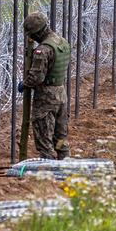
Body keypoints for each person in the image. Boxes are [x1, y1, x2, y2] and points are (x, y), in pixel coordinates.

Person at [21, 12, 71, 159]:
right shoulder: (61, 41)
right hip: (61, 94)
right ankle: (65, 160)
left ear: (38, 32)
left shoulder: (43, 50)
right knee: (60, 135)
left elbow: (37, 77)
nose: (31, 38)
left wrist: (24, 84)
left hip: (46, 99)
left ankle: (48, 170)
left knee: (44, 138)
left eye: (32, 34)